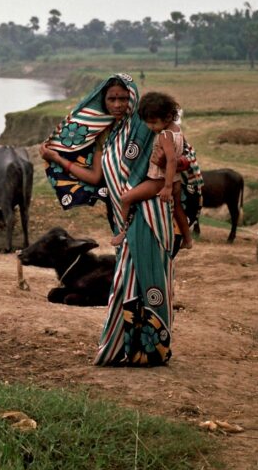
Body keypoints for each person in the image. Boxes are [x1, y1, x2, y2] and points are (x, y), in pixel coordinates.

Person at [39, 73, 176, 367]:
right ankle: (124, 348)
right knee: (127, 281)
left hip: (149, 216)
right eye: (111, 98)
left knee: (148, 280)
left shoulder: (145, 127)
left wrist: (131, 197)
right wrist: (57, 158)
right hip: (121, 220)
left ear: (133, 98)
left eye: (123, 98)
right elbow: (95, 177)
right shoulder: (106, 135)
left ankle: (153, 350)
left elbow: (164, 173)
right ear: (102, 100)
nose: (117, 104)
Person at [111, 92, 194, 250]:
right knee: (178, 209)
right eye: (148, 123)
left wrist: (167, 187)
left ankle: (121, 232)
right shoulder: (177, 130)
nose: (151, 127)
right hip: (176, 180)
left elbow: (171, 160)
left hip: (159, 180)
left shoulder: (165, 135)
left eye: (154, 123)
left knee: (126, 199)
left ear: (168, 117)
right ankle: (188, 239)